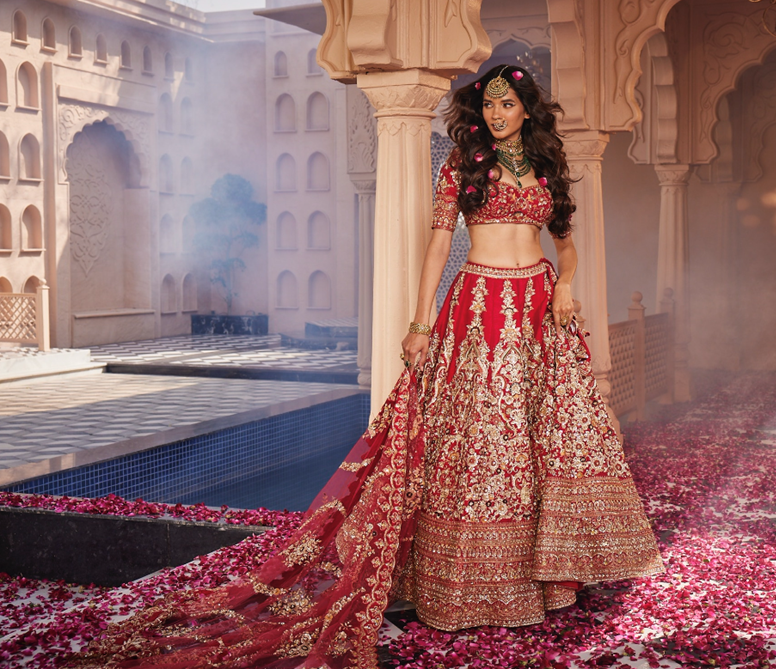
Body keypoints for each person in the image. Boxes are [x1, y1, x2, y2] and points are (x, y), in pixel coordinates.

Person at [72, 64, 662, 669]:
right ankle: (468, 582)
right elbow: (438, 246)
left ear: (526, 109)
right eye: (488, 104)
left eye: (506, 103)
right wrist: (419, 322)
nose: (495, 113)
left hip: (535, 307)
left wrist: (565, 285)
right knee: (479, 438)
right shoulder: (462, 164)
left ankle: (546, 575)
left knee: (543, 439)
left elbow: (565, 246)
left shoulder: (545, 166)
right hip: (479, 303)